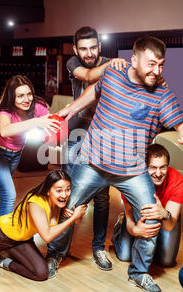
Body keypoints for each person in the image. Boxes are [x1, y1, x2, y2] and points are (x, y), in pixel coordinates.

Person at [46, 35, 183, 292]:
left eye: (161, 65)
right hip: (92, 161)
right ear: (134, 59)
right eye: (151, 64)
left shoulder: (161, 93)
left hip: (132, 171)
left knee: (151, 216)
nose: (157, 70)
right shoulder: (112, 75)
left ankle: (139, 274)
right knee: (68, 209)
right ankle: (55, 255)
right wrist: (71, 109)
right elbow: (92, 91)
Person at [60, 26, 128, 271]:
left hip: (103, 137)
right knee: (67, 193)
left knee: (101, 197)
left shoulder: (112, 64)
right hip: (76, 133)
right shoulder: (72, 63)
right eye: (83, 48)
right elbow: (89, 78)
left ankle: (98, 248)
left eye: (93, 47)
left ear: (100, 46)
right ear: (75, 49)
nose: (88, 53)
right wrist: (114, 64)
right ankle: (60, 248)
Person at [0, 75, 61, 240]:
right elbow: (4, 131)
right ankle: (0, 239)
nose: (26, 99)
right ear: (12, 97)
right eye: (20, 96)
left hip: (14, 154)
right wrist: (36, 123)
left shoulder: (38, 107)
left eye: (29, 94)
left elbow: (50, 124)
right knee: (8, 194)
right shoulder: (5, 112)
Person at [112, 143, 183, 269]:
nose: (158, 173)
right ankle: (118, 228)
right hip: (139, 216)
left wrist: (164, 214)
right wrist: (134, 230)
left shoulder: (178, 181)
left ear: (168, 166)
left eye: (163, 167)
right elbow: (130, 215)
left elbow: (169, 226)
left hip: (167, 216)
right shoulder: (132, 181)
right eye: (153, 168)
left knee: (166, 262)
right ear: (145, 167)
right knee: (125, 256)